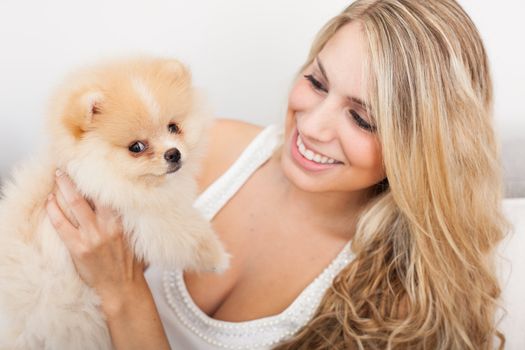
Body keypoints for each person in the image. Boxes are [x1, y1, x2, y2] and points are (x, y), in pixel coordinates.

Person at [46, 0, 509, 349]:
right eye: (316, 82)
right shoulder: (211, 150)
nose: (311, 125)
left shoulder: (392, 301)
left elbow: (116, 284)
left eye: (362, 119)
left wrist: (123, 293)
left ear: (423, 152)